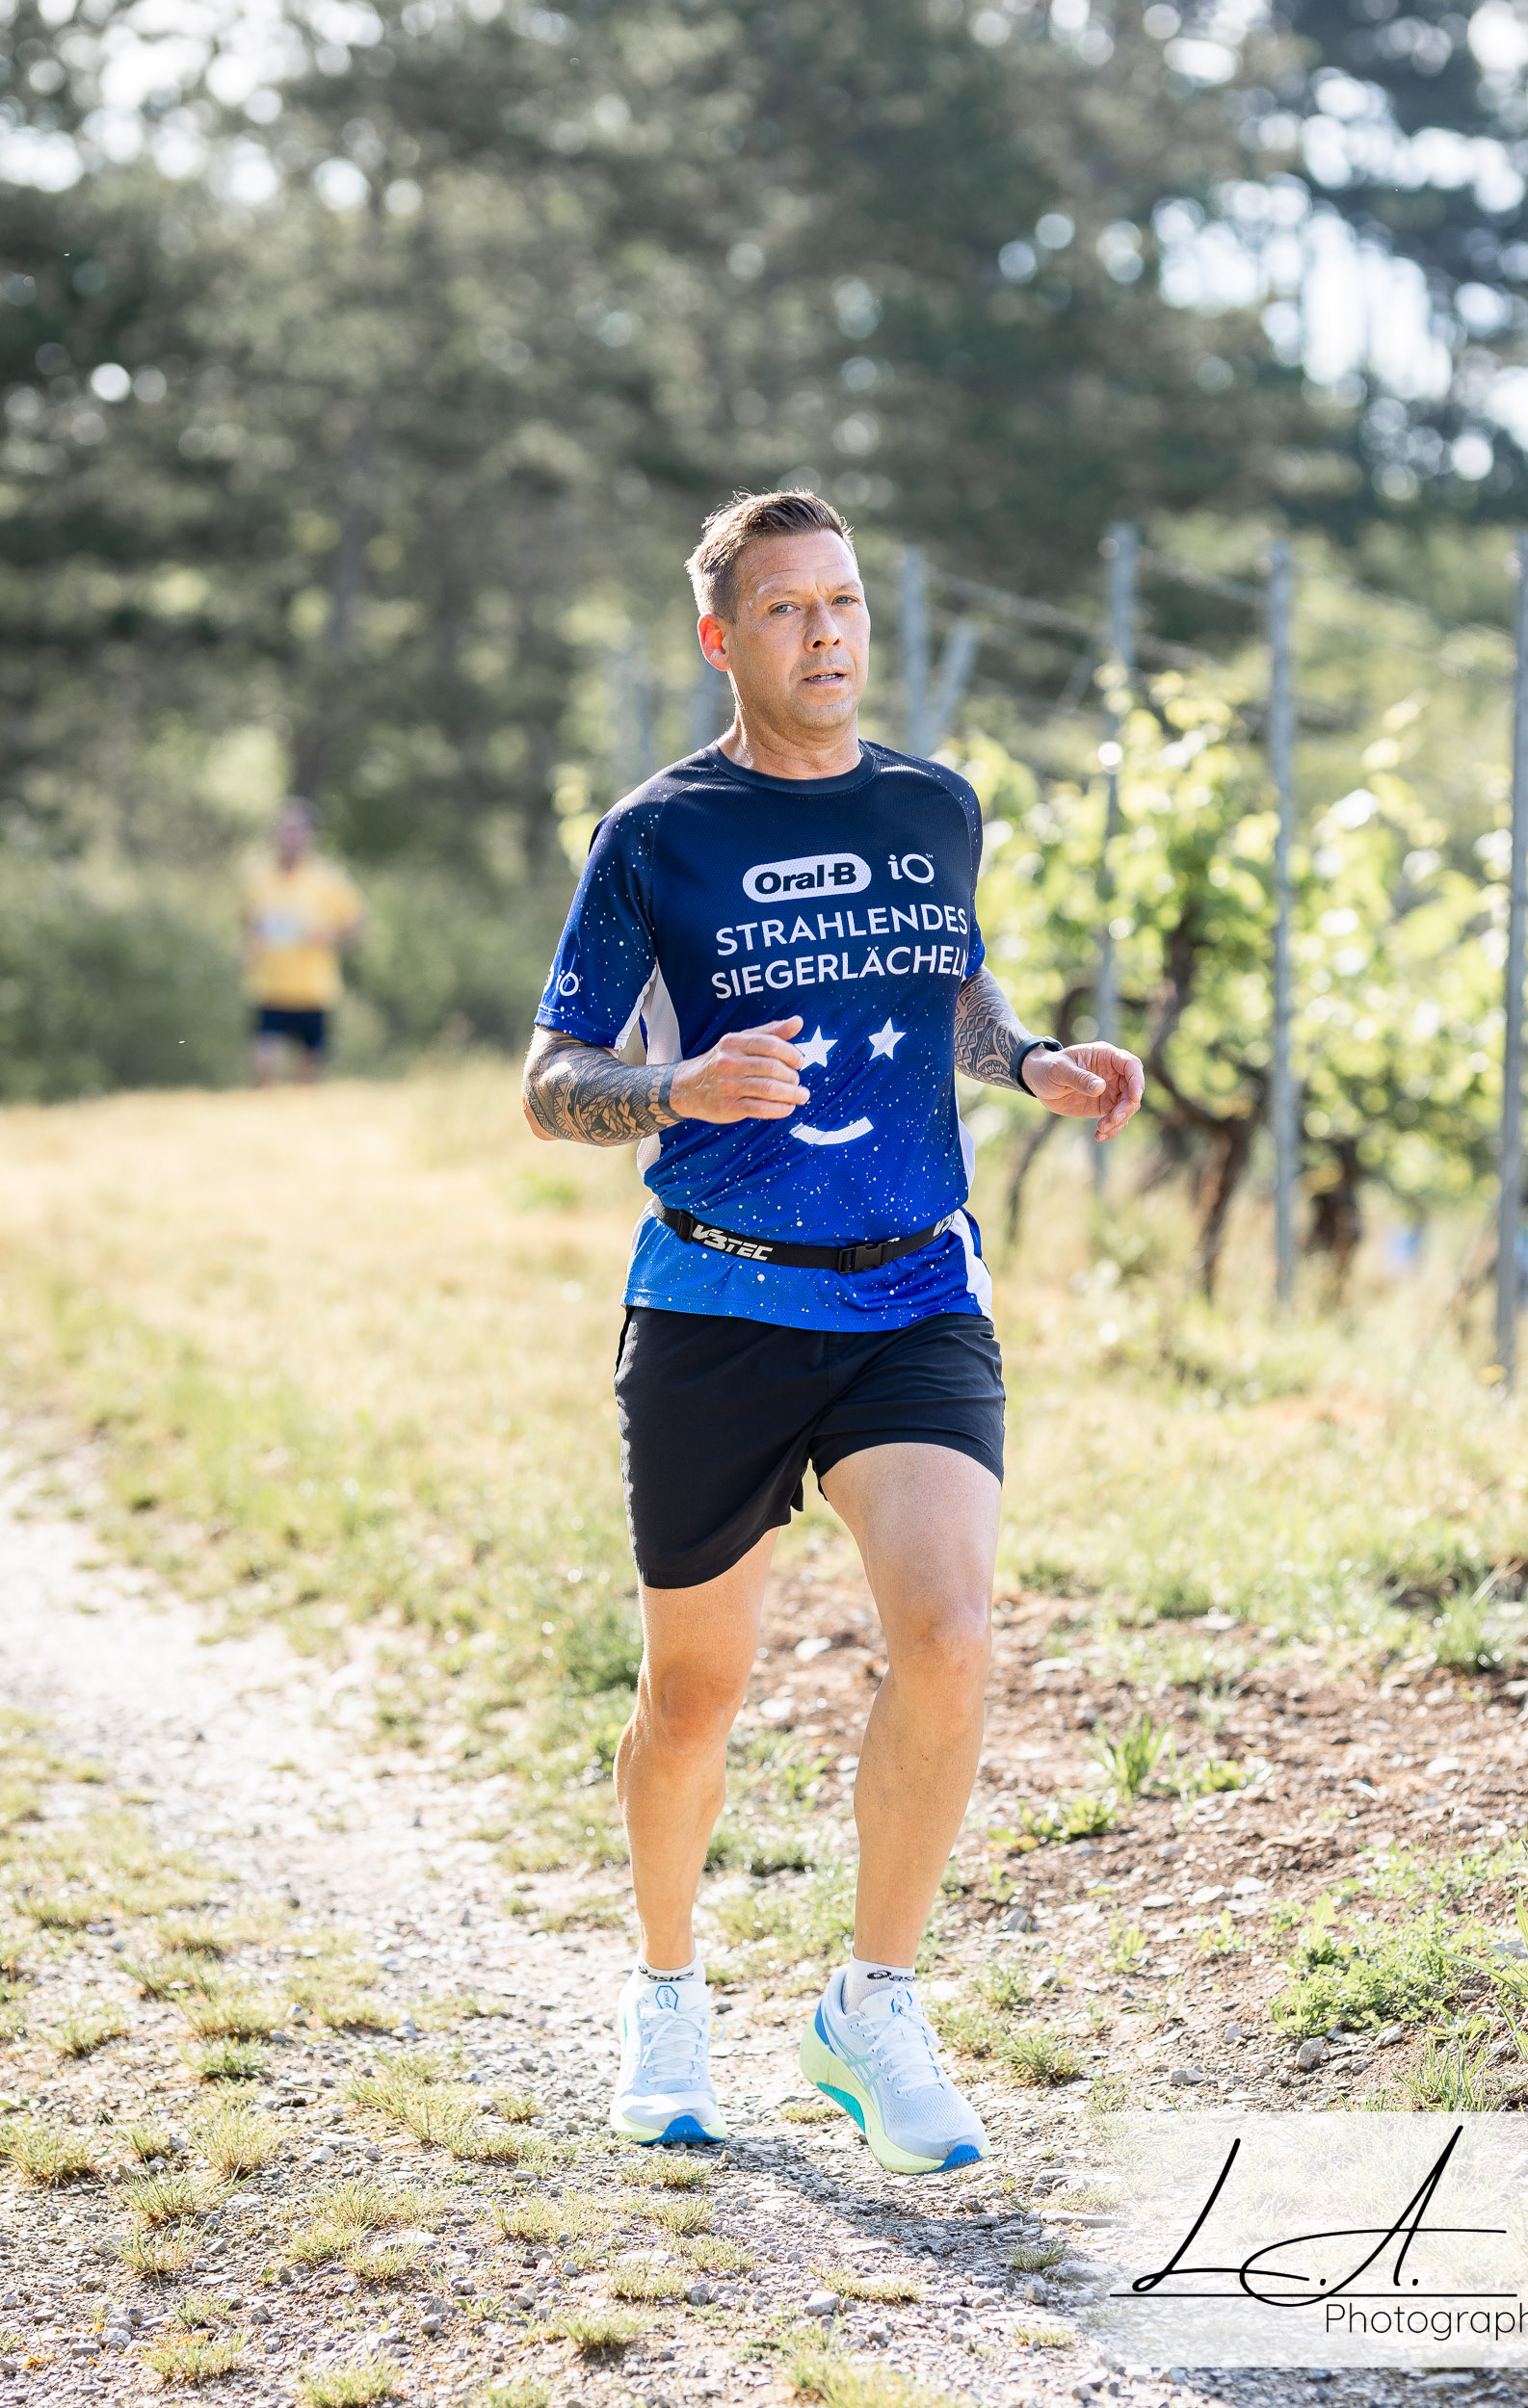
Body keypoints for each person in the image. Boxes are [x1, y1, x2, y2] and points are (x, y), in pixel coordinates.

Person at [522, 490, 1144, 2175]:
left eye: (844, 602)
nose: (826, 634)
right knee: (693, 1694)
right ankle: (666, 1994)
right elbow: (551, 1080)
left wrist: (1030, 1060)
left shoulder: (931, 806)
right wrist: (679, 1084)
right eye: (787, 608)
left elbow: (951, 986)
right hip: (714, 1300)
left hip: (908, 1292)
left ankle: (870, 2005)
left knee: (949, 1631)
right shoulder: (657, 834)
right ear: (721, 639)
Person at [242, 800, 364, 1085]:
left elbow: (358, 928)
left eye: (297, 830)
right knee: (263, 1066)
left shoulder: (328, 879)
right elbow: (248, 925)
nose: (291, 837)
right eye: (285, 829)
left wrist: (328, 936)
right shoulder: (258, 879)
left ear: (310, 835)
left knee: (308, 1077)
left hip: (313, 989)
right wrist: (250, 947)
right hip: (269, 987)